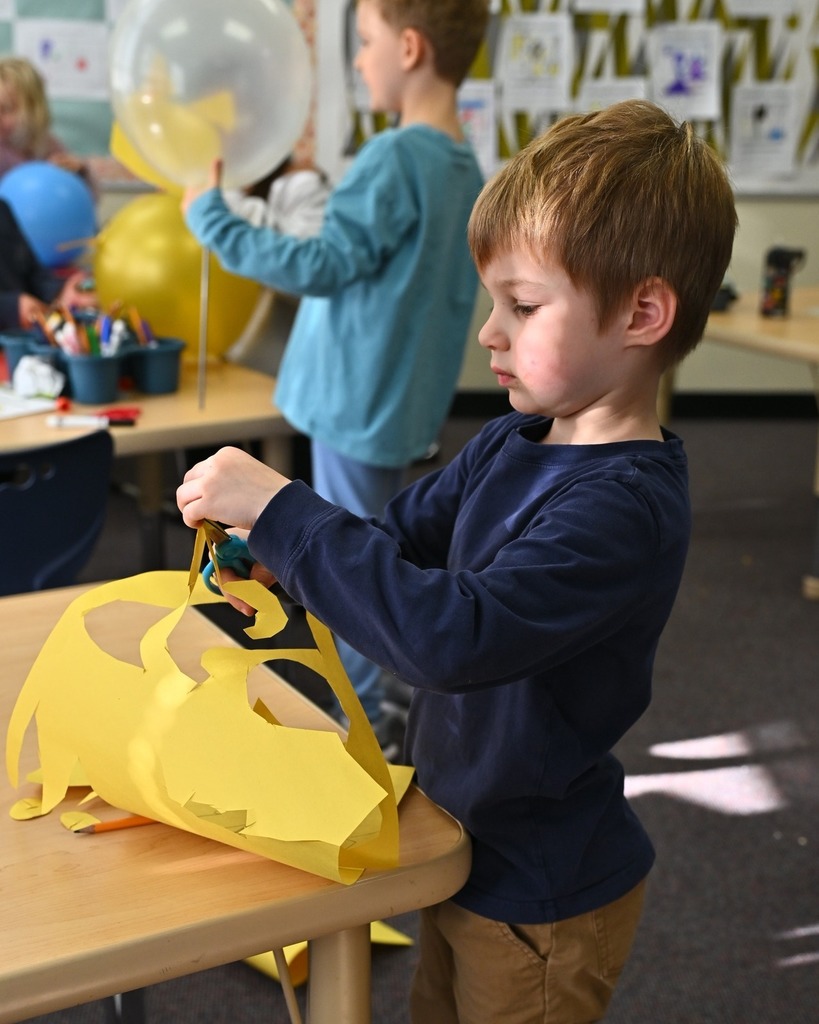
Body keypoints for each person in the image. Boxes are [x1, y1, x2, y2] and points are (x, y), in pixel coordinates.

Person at [177, 98, 737, 1022]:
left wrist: (284, 508)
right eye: (494, 303)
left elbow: (451, 638)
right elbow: (398, 540)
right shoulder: (517, 438)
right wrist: (275, 555)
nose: (489, 331)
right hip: (462, 840)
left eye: (522, 305)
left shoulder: (621, 509)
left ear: (641, 312)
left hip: (542, 899)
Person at [181, 0, 489, 736]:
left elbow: (320, 263)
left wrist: (212, 217)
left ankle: (370, 729)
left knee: (346, 569)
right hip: (396, 404)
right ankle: (383, 708)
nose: (357, 59)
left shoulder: (394, 157)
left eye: (367, 42)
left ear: (409, 48)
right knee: (363, 545)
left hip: (357, 402)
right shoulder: (461, 162)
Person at [0, 56, 95, 190]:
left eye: (6, 109)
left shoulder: (49, 145)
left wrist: (80, 173)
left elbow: (86, 199)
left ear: (33, 110)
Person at [0, 198, 95, 330]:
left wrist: (61, 292)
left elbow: (33, 272)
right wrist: (9, 308)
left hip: (26, 337)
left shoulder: (2, 208)